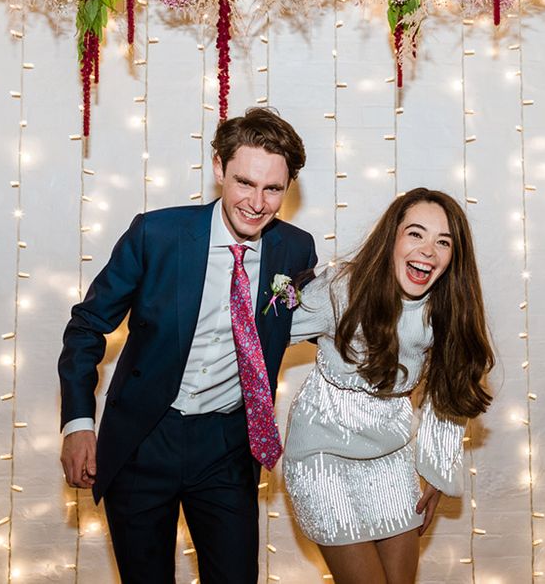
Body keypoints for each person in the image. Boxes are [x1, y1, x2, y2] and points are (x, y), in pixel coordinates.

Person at [58, 107, 317, 584]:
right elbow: (87, 326)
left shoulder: (295, 250)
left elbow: (317, 322)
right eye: (244, 182)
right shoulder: (156, 235)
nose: (256, 203)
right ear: (219, 169)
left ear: (288, 187)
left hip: (227, 447)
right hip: (143, 440)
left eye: (273, 189)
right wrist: (77, 423)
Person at [284, 188, 494, 584]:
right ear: (392, 238)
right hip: (321, 457)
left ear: (453, 257)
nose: (428, 250)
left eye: (443, 242)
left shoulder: (444, 308)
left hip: (391, 458)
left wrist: (435, 467)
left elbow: (449, 392)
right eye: (416, 234)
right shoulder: (341, 289)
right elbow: (261, 335)